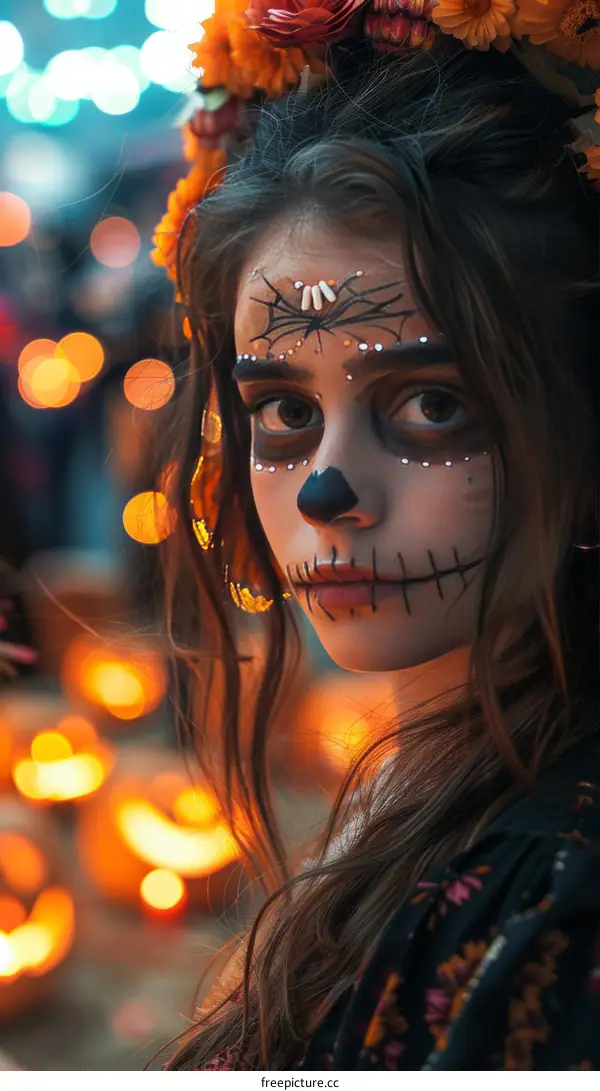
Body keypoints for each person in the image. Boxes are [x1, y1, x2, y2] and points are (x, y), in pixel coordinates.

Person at [152, 0, 600, 1070]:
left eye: (432, 403)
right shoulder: (428, 786)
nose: (326, 491)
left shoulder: (559, 907)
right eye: (286, 412)